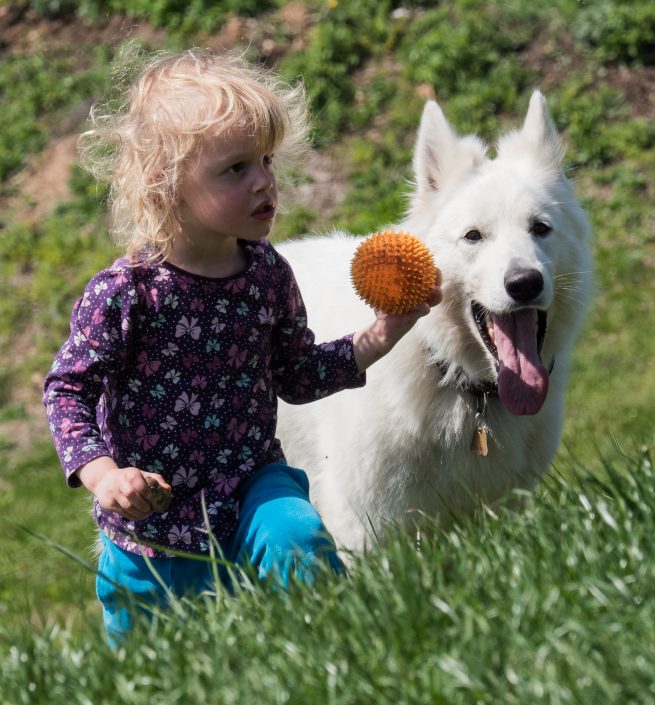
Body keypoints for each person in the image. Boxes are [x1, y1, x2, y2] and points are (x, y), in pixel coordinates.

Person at [42, 50, 442, 642]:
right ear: (166, 184)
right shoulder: (126, 293)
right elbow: (68, 389)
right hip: (151, 520)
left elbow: (298, 374)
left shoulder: (267, 275)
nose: (264, 181)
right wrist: (103, 475)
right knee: (148, 659)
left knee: (297, 538)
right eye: (235, 169)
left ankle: (336, 652)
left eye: (266, 161)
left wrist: (379, 335)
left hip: (253, 481)